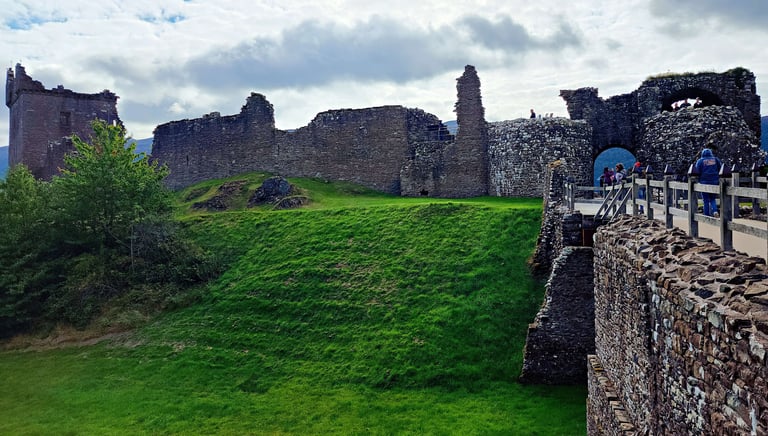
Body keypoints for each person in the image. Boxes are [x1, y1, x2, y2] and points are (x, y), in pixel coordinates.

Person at [694, 148, 722, 217]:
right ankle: (715, 211)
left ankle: (706, 215)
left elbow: (696, 171)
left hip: (704, 182)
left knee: (706, 200)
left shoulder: (700, 161)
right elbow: (720, 169)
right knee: (712, 198)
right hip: (714, 182)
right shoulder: (715, 160)